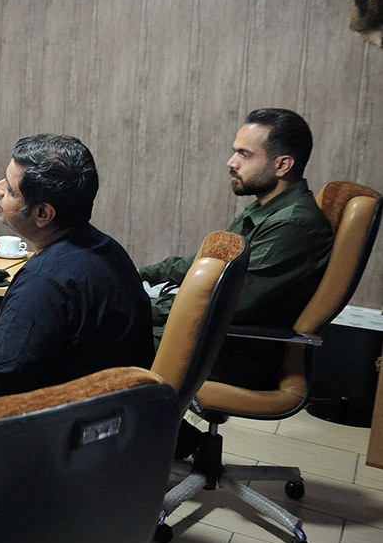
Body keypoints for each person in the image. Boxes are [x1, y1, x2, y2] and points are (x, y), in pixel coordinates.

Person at [140, 108, 333, 391]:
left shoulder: (293, 226)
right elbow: (206, 261)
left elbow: (226, 302)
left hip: (233, 356)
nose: (231, 162)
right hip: (212, 339)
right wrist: (138, 273)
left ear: (283, 165)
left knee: (100, 339)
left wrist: (140, 307)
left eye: (244, 154)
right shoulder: (266, 208)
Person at [0, 134, 153, 398]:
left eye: (10, 189)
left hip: (60, 419)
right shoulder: (108, 250)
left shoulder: (43, 285)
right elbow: (24, 345)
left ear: (42, 213)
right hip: (119, 411)